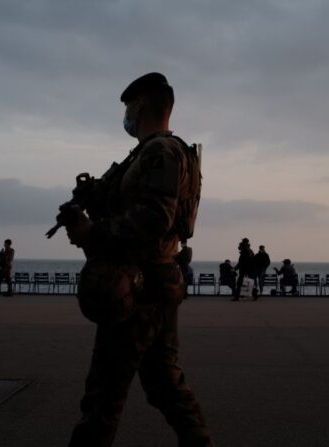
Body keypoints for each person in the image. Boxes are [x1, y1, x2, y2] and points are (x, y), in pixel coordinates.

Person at [63, 73, 213, 447]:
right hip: (157, 283)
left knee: (102, 399)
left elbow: (156, 216)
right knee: (165, 384)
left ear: (141, 104)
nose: (127, 115)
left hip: (138, 287)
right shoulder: (155, 153)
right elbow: (144, 207)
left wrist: (91, 234)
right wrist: (95, 197)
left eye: (129, 106)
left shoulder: (160, 151)